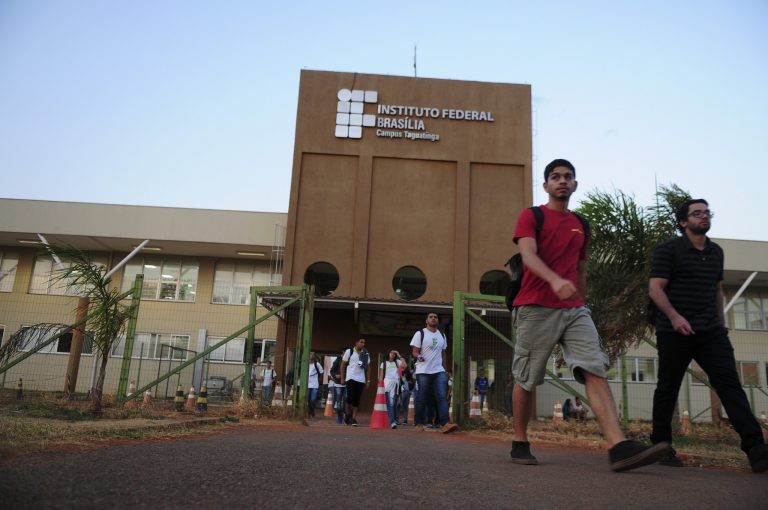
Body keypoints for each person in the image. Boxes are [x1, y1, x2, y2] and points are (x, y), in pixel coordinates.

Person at [509, 158, 669, 471]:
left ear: (575, 184)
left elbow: (581, 268)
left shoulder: (580, 224)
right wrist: (554, 280)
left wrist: (580, 301)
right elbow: (528, 255)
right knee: (527, 378)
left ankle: (618, 446)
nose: (562, 181)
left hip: (574, 310)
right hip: (536, 306)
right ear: (546, 185)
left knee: (594, 368)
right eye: (556, 176)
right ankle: (519, 440)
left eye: (568, 176)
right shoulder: (532, 216)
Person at [648, 198, 768, 472]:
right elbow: (655, 288)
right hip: (673, 331)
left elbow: (717, 290)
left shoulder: (716, 252)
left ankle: (756, 449)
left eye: (706, 212)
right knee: (668, 387)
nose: (704, 216)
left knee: (729, 385)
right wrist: (675, 317)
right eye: (697, 213)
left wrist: (721, 325)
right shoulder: (669, 250)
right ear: (683, 222)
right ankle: (661, 446)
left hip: (710, 332)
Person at [410, 312, 458, 433]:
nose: (433, 319)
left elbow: (443, 354)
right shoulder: (420, 333)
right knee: (422, 397)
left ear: (438, 321)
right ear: (426, 321)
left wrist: (445, 371)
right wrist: (419, 356)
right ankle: (419, 423)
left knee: (442, 397)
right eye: (430, 317)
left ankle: (445, 423)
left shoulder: (442, 335)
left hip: (438, 371)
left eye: (435, 317)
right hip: (423, 371)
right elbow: (414, 351)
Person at [340, 338, 370, 426]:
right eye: (361, 342)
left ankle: (353, 419)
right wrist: (342, 378)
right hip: (351, 377)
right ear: (356, 342)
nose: (363, 344)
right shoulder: (349, 351)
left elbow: (368, 368)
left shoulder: (366, 353)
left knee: (357, 399)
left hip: (361, 379)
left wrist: (368, 380)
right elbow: (343, 364)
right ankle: (347, 414)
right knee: (350, 397)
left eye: (364, 342)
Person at [379, 349, 406, 428]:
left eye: (394, 353)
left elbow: (405, 366)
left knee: (393, 404)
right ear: (388, 353)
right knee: (390, 403)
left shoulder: (397, 362)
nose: (393, 354)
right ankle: (392, 422)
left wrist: (399, 354)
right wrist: (380, 387)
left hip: (395, 385)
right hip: (386, 385)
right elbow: (381, 377)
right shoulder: (383, 363)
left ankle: (392, 421)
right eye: (391, 353)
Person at [329, 348, 346, 424]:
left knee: (346, 401)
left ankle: (346, 416)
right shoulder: (338, 360)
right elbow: (332, 371)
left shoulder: (350, 361)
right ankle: (340, 417)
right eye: (345, 353)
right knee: (338, 403)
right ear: (343, 353)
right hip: (338, 384)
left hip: (347, 384)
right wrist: (335, 375)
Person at [307, 352, 323, 419]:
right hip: (307, 385)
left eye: (312, 354)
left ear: (314, 356)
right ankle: (309, 412)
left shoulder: (317, 364)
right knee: (308, 399)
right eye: (310, 354)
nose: (311, 355)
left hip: (315, 384)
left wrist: (319, 381)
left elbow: (321, 372)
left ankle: (312, 411)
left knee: (313, 399)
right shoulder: (306, 364)